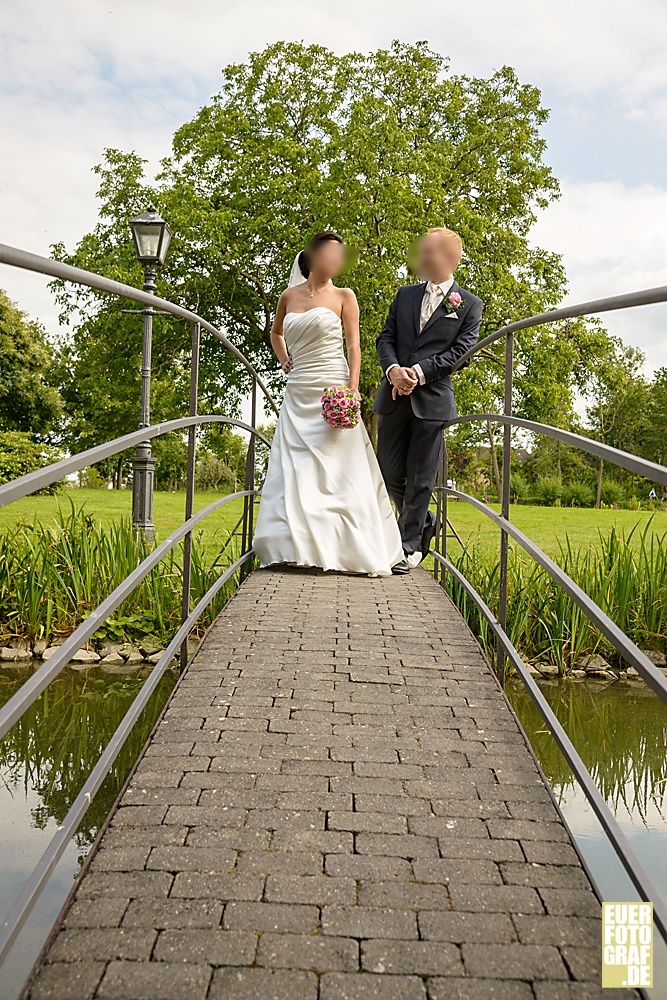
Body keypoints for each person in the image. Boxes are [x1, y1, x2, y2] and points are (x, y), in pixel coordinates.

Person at [253, 233, 404, 576]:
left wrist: (350, 391)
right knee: (295, 466)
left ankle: (345, 546)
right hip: (299, 387)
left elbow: (354, 346)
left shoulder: (344, 296)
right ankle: (293, 547)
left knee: (338, 467)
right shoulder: (287, 296)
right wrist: (283, 358)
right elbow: (276, 332)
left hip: (332, 386)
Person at [374, 228, 483, 568]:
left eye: (428, 252)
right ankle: (425, 522)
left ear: (450, 258)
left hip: (432, 400)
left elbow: (460, 353)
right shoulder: (405, 295)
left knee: (421, 477)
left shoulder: (469, 305)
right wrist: (393, 370)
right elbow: (386, 338)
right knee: (387, 472)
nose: (421, 258)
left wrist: (417, 374)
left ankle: (408, 548)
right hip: (393, 394)